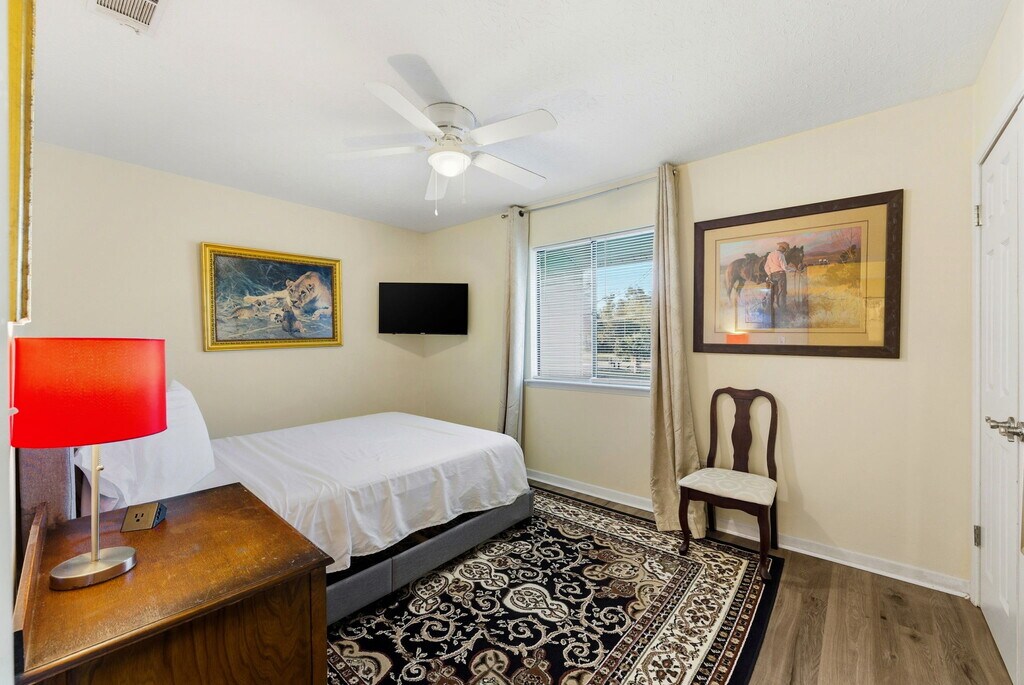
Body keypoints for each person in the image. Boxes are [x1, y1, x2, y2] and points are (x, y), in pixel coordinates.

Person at [764, 241, 794, 314]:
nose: (785, 251)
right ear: (783, 248)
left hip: (772, 276)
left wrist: (769, 274)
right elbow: (784, 267)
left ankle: (768, 310)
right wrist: (793, 270)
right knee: (782, 293)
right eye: (785, 250)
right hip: (781, 275)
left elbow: (766, 267)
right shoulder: (781, 255)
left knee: (771, 293)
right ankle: (783, 311)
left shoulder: (770, 254)